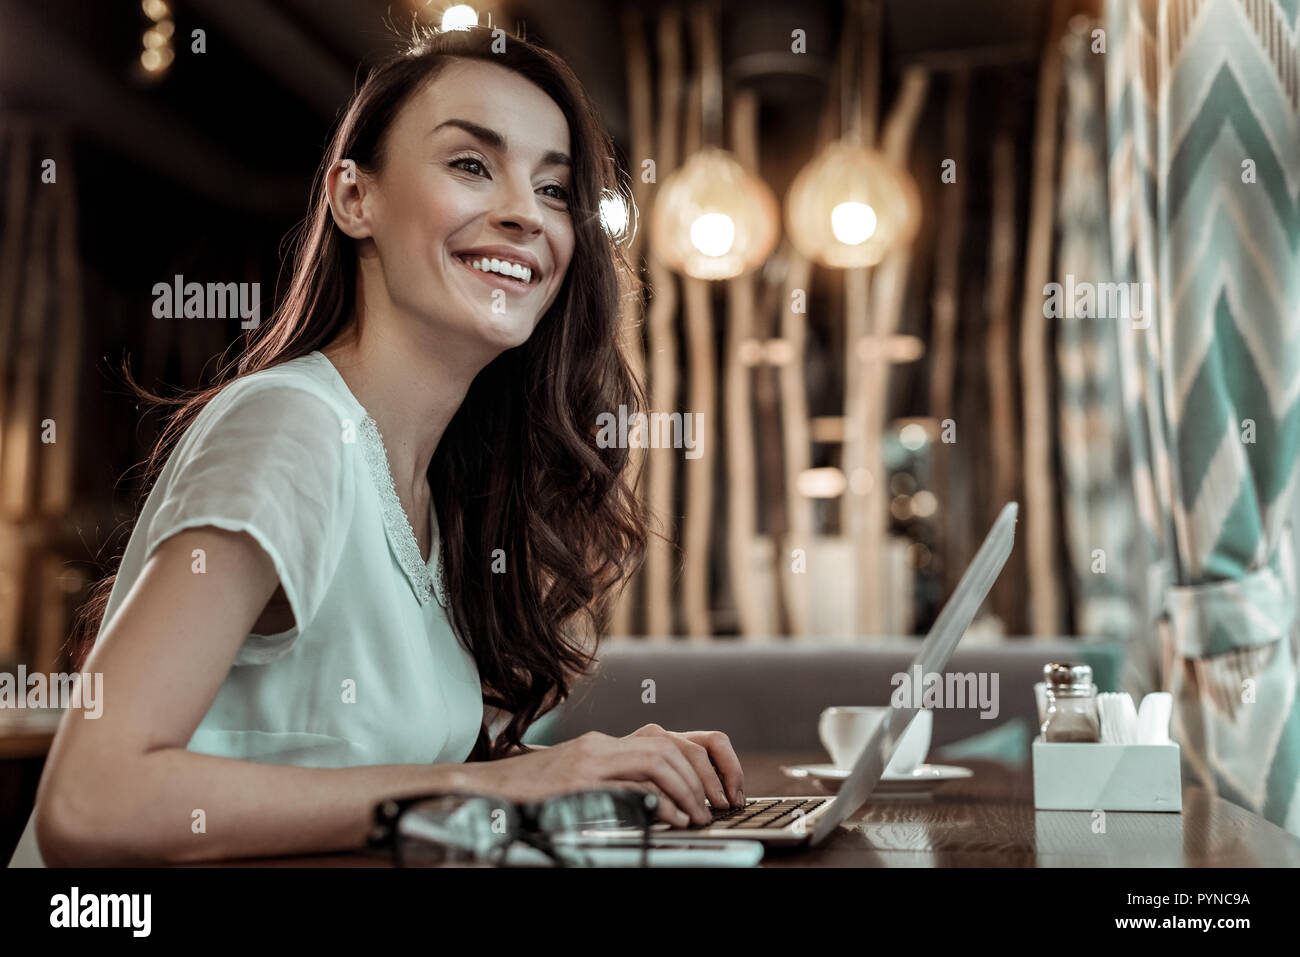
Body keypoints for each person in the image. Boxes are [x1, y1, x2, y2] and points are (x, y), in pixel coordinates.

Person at [10, 24, 743, 867]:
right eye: (472, 164)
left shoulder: (437, 488)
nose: (523, 213)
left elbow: (373, 772)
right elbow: (89, 803)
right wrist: (502, 788)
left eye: (554, 188)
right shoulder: (290, 429)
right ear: (355, 198)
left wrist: (591, 769)